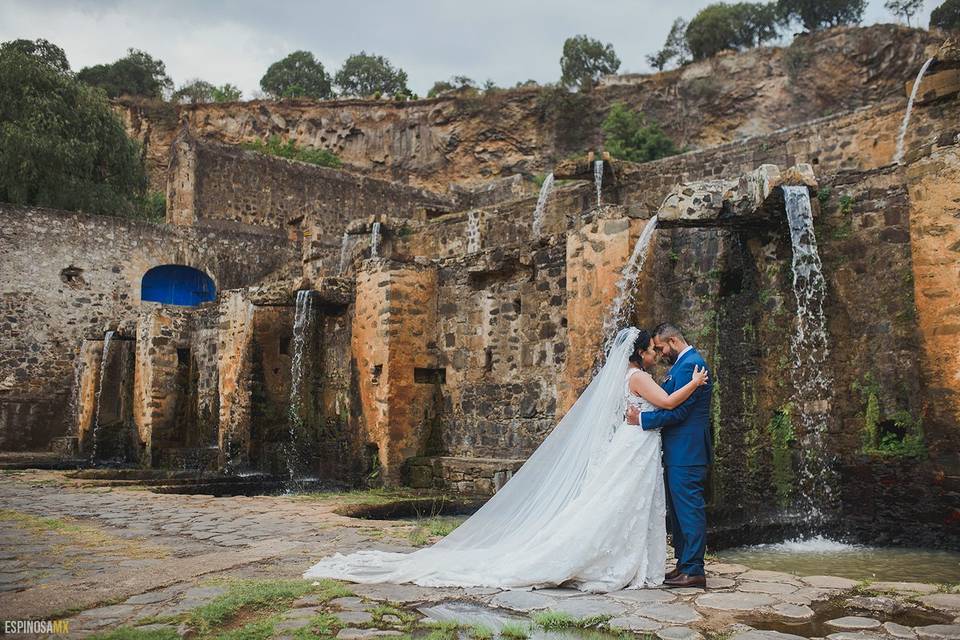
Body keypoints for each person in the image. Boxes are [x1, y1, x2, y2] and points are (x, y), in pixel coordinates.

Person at [303, 327, 708, 592]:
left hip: (638, 445)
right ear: (640, 352)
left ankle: (657, 562)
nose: (657, 355)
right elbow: (670, 403)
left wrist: (649, 412)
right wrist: (690, 385)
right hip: (634, 446)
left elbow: (656, 407)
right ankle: (624, 560)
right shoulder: (641, 376)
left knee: (623, 504)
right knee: (617, 502)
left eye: (659, 349)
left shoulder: (637, 375)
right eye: (653, 351)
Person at [626, 322, 713, 589]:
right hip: (678, 451)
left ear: (673, 341)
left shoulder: (690, 365)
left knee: (689, 510)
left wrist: (642, 419)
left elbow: (678, 412)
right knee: (678, 511)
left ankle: (695, 569)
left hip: (688, 451)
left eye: (661, 347)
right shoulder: (682, 365)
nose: (660, 353)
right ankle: (684, 564)